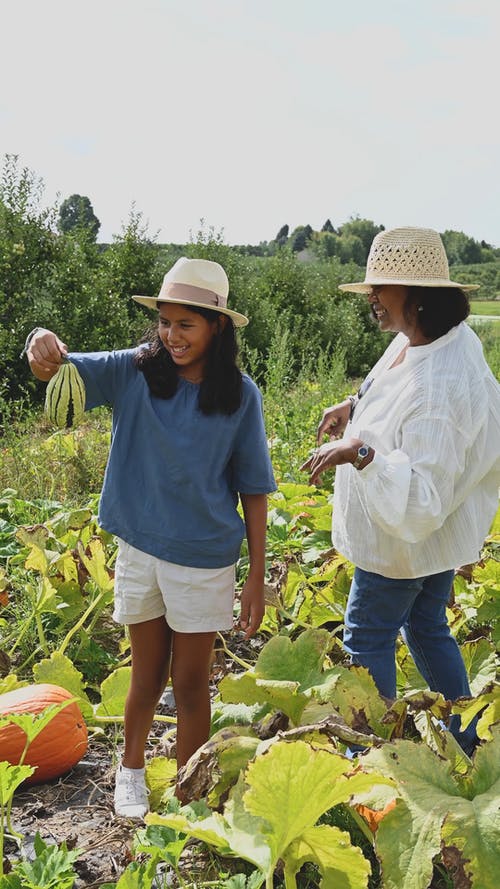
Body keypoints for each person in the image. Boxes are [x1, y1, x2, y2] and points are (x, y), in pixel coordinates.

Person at [26, 256, 276, 817]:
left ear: (217, 327)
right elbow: (58, 367)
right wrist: (40, 343)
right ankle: (131, 771)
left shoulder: (240, 396)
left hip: (204, 560)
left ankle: (188, 792)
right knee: (144, 676)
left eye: (186, 324)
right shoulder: (135, 370)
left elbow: (254, 490)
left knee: (190, 684)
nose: (172, 335)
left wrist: (256, 576)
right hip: (141, 549)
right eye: (165, 322)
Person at [301, 227, 500, 755]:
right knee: (426, 624)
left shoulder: (439, 388)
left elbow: (421, 499)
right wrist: (353, 405)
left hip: (404, 544)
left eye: (380, 287)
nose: (371, 296)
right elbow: (391, 388)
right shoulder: (428, 337)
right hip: (429, 541)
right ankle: (468, 739)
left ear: (415, 297)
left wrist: (359, 452)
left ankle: (369, 761)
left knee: (366, 635)